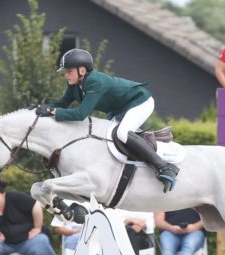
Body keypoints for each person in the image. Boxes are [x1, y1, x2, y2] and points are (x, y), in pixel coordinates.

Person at [40, 48, 179, 192]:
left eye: (69, 71)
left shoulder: (95, 82)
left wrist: (52, 112)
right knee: (104, 135)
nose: (66, 75)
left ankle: (165, 167)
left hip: (140, 101)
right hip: (119, 109)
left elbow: (81, 114)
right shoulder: (74, 85)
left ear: (82, 70)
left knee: (122, 133)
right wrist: (40, 108)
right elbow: (61, 104)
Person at [0, 179, 59, 255]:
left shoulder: (14, 197)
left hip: (28, 240)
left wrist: (37, 227)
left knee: (42, 244)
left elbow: (36, 204)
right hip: (4, 244)